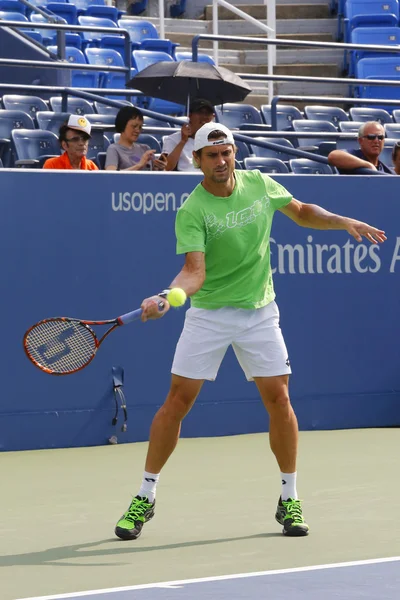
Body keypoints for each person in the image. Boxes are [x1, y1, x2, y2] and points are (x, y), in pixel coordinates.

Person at [115, 122, 387, 542]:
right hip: (209, 315)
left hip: (260, 312)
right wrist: (168, 298)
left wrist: (342, 220)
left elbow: (301, 212)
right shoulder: (193, 209)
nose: (221, 161)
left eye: (226, 152)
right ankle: (145, 495)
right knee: (177, 402)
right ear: (197, 160)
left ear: (234, 153)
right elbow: (194, 272)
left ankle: (289, 497)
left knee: (279, 399)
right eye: (212, 155)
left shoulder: (260, 183)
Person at [105, 106, 166, 172]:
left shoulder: (145, 148)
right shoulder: (113, 149)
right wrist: (139, 165)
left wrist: (159, 168)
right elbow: (111, 174)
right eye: (134, 126)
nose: (137, 130)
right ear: (122, 125)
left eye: (140, 127)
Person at [162, 98, 215, 171]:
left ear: (213, 116)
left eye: (208, 113)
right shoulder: (172, 139)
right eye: (200, 113)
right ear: (190, 115)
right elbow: (167, 167)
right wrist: (183, 141)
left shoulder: (217, 139)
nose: (204, 117)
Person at [328, 121, 394, 175]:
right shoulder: (352, 155)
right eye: (371, 137)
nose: (376, 141)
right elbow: (333, 156)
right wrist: (368, 165)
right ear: (360, 140)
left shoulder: (387, 172)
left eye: (380, 137)